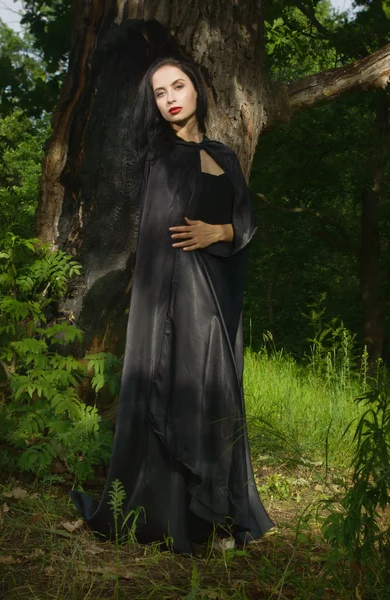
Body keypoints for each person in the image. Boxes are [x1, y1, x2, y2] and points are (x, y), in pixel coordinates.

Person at [69, 56, 274, 555]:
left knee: (216, 395)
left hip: (218, 297)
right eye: (160, 93)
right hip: (178, 298)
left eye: (177, 86)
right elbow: (158, 243)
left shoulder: (224, 154)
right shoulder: (159, 159)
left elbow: (244, 221)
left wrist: (218, 231)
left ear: (197, 88)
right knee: (182, 389)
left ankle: (216, 514)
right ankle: (178, 518)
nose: (170, 99)